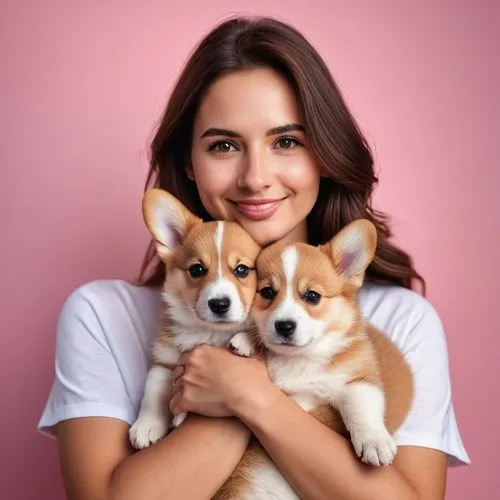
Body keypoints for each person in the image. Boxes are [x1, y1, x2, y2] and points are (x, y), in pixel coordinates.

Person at [37, 16, 470, 500]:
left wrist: (252, 395)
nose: (255, 177)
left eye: (286, 141)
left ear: (324, 153)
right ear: (187, 160)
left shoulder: (401, 320)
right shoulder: (102, 315)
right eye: (223, 145)